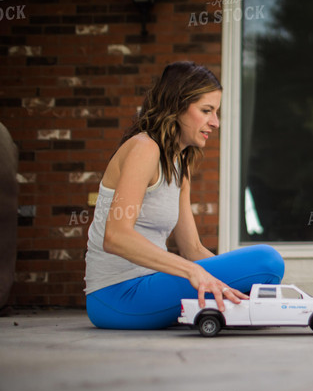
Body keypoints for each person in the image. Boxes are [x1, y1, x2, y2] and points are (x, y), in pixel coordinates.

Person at [84, 61, 284, 330]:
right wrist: (193, 271)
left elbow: (192, 249)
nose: (216, 122)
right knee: (266, 261)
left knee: (262, 275)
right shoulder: (145, 148)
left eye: (216, 112)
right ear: (177, 107)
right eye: (206, 111)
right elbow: (115, 237)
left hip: (152, 285)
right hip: (117, 296)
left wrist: (219, 277)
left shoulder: (180, 162)